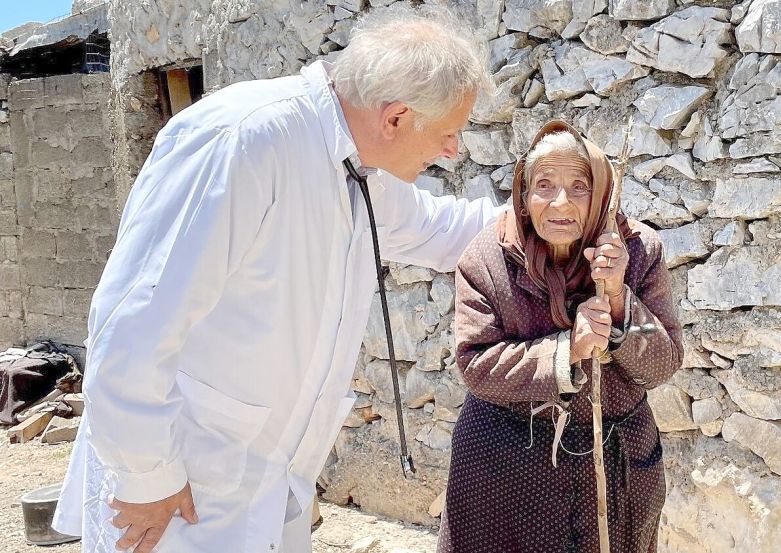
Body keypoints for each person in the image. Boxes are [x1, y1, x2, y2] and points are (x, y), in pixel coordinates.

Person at [52, 6, 499, 553]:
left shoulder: (359, 166)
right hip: (180, 487)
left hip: (262, 485)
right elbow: (137, 317)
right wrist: (145, 476)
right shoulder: (245, 139)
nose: (453, 150)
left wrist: (553, 214)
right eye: (449, 132)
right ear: (397, 118)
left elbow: (440, 229)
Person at [437, 121, 683, 553]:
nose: (560, 203)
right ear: (524, 197)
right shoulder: (487, 260)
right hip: (504, 462)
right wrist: (568, 349)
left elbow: (662, 364)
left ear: (602, 194)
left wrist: (621, 301)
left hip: (615, 459)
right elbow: (475, 364)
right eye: (544, 185)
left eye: (579, 187)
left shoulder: (638, 251)